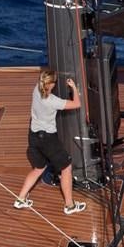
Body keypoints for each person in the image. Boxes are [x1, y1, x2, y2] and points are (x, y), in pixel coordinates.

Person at [14, 68, 86, 214]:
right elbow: (76, 104)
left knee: (39, 168)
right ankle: (70, 205)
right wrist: (73, 88)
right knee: (66, 168)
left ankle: (20, 199)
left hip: (33, 136)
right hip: (48, 140)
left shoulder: (36, 90)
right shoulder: (52, 101)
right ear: (52, 84)